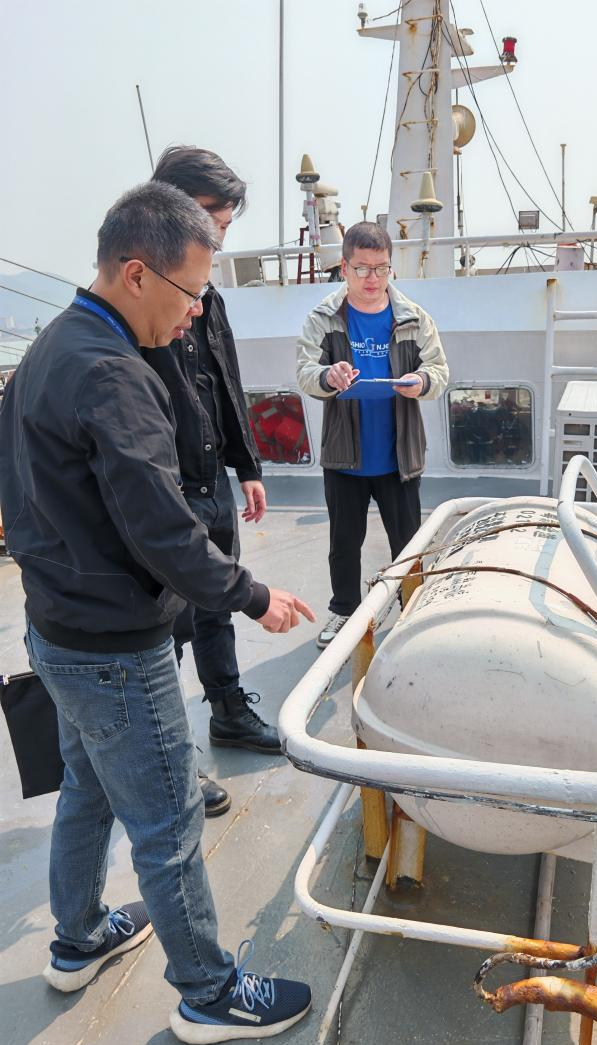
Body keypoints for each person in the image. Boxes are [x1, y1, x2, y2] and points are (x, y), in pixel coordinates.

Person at [0, 182, 314, 1042]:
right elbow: (164, 531)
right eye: (190, 292)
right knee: (167, 823)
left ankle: (76, 938)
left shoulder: (48, 347)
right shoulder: (114, 376)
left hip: (54, 629)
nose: (196, 312)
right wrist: (253, 595)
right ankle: (209, 992)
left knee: (87, 790)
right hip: (115, 650)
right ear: (136, 274)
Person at [147, 148, 276, 824]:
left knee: (217, 603)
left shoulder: (210, 297)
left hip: (210, 480)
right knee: (165, 625)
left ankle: (228, 710)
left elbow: (225, 382)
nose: (218, 237)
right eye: (210, 220)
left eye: (223, 225)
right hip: (163, 487)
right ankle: (172, 754)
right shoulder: (143, 298)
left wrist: (246, 465)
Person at [296, 221, 449, 647]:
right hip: (345, 456)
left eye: (381, 268)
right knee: (344, 543)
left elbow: (439, 371)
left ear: (390, 267)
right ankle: (343, 611)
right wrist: (328, 376)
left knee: (409, 543)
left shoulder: (413, 317)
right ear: (344, 268)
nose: (372, 278)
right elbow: (305, 372)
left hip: (399, 456)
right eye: (362, 268)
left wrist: (422, 381)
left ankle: (412, 612)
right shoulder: (323, 319)